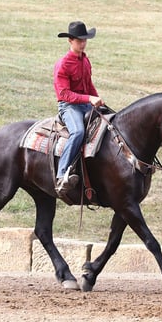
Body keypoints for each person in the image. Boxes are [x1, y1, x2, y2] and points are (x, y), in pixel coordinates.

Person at [53, 20, 104, 196]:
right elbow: (64, 94)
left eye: (84, 40)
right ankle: (61, 174)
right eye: (79, 40)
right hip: (69, 107)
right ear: (70, 41)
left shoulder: (85, 60)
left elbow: (88, 85)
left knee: (109, 123)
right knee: (78, 132)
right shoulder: (64, 64)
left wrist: (97, 99)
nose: (82, 43)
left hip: (85, 104)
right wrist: (89, 98)